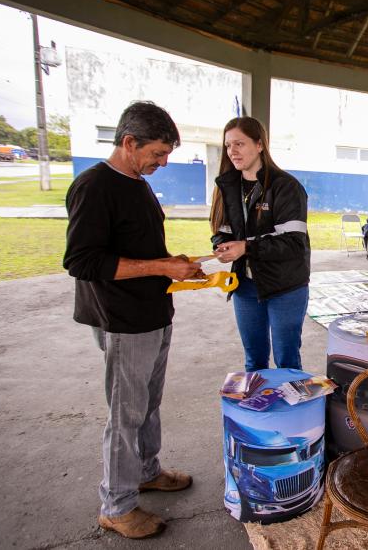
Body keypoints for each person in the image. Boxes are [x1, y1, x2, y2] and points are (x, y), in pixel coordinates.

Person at [63, 101, 204, 539]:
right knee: (125, 414)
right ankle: (117, 504)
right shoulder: (94, 186)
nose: (163, 163)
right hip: (122, 319)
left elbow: (140, 247)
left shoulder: (137, 183)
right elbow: (82, 261)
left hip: (153, 312)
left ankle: (146, 470)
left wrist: (174, 263)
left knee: (148, 402)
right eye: (158, 154)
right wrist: (162, 268)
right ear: (129, 143)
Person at [210, 117, 311, 373]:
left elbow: (293, 243)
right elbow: (222, 230)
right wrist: (222, 245)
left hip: (285, 286)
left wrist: (246, 247)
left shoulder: (286, 186)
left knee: (286, 360)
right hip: (245, 286)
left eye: (239, 144)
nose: (232, 151)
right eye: (228, 145)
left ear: (259, 145)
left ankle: (292, 412)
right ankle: (258, 411)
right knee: (254, 361)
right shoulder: (227, 186)